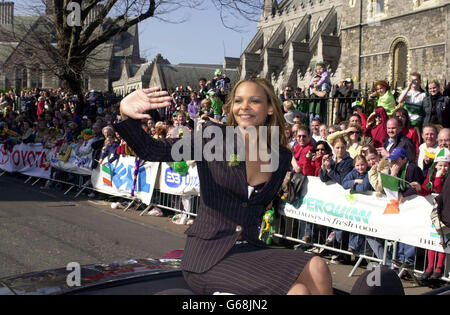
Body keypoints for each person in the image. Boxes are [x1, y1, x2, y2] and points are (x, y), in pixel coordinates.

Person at [114, 81, 333, 295]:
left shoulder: (280, 155)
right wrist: (126, 113)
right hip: (207, 257)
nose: (244, 106)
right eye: (238, 100)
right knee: (298, 291)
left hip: (249, 248)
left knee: (317, 266)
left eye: (254, 100)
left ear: (268, 108)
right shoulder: (214, 140)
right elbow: (152, 150)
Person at [387, 147, 424, 270]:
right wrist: (393, 175)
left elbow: (419, 187)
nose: (392, 163)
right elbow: (389, 188)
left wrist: (405, 194)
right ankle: (400, 256)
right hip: (402, 206)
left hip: (414, 206)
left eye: (395, 160)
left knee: (410, 231)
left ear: (404, 159)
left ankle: (408, 259)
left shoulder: (413, 168)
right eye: (391, 160)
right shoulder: (394, 169)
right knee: (401, 230)